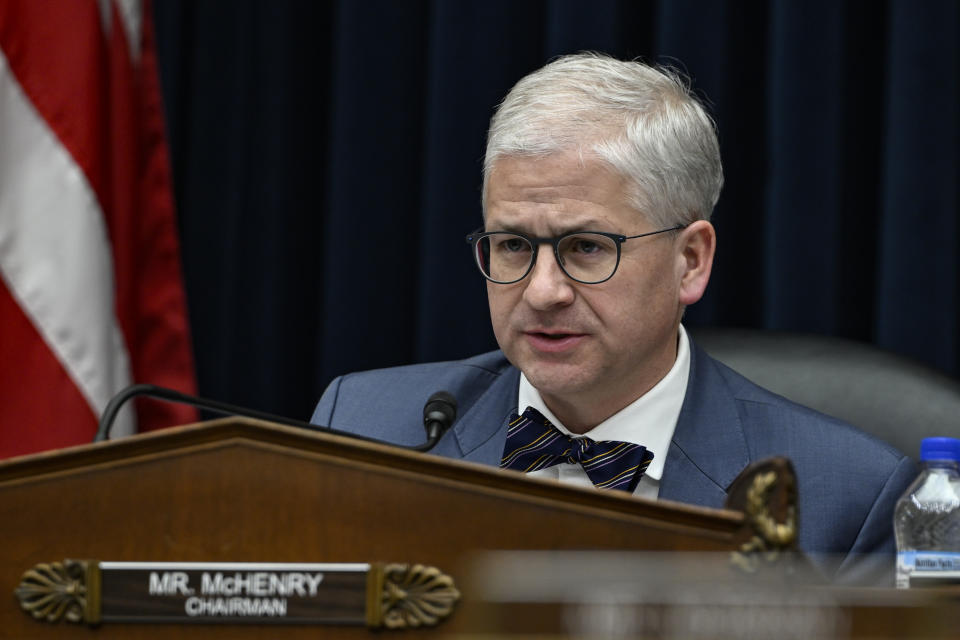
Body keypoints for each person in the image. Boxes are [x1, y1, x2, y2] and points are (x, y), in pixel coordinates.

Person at [311, 53, 917, 583]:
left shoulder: (849, 496)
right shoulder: (366, 429)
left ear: (691, 261)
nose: (543, 291)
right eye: (513, 246)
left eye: (587, 248)